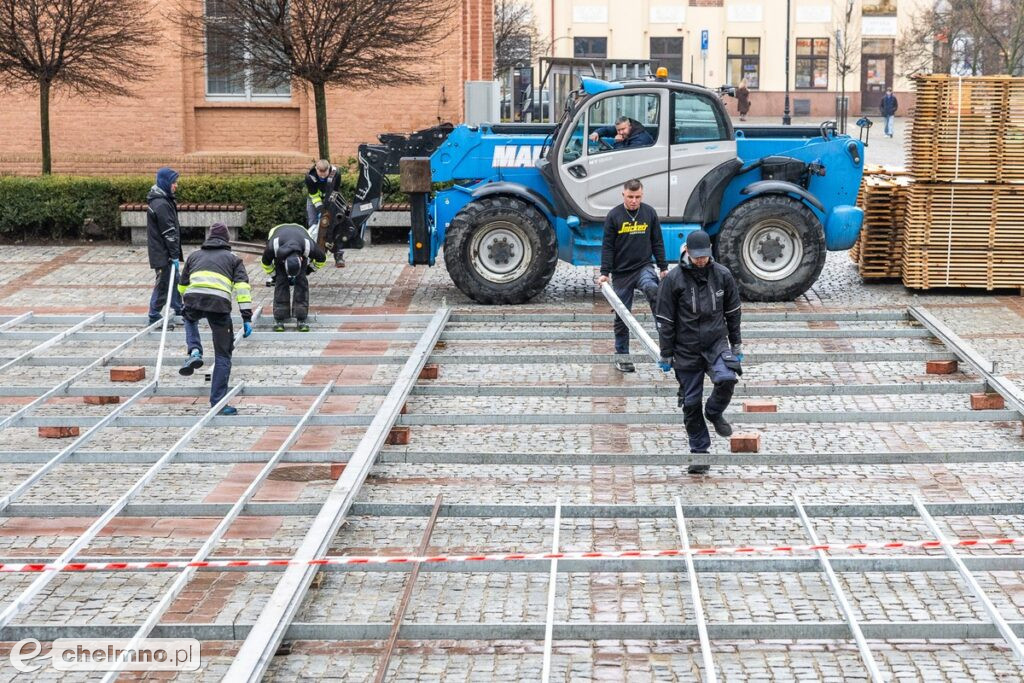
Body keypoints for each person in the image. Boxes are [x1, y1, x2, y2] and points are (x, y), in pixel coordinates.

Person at [656, 230, 742, 475]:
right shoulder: (673, 280)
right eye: (696, 257)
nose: (701, 260)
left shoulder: (722, 275)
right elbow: (665, 320)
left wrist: (736, 345)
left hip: (716, 342)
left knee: (727, 379)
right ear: (687, 253)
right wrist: (666, 353)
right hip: (686, 347)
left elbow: (733, 312)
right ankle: (700, 452)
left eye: (704, 256)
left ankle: (714, 411)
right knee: (691, 404)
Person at [177, 223, 253, 416]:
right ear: (227, 240)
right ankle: (218, 403)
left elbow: (182, 287)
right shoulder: (234, 259)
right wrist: (246, 318)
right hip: (219, 306)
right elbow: (243, 289)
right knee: (223, 356)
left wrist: (187, 303)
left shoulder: (194, 255)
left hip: (194, 299)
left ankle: (194, 350)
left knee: (189, 318)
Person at [597, 179, 668, 373]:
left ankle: (667, 346)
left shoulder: (649, 213)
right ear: (623, 195)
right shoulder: (614, 216)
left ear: (642, 196)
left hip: (643, 267)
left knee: (653, 290)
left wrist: (663, 267)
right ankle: (622, 356)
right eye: (630, 197)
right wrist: (605, 273)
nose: (634, 201)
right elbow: (608, 247)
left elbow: (657, 241)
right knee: (622, 314)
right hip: (621, 273)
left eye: (637, 197)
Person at [261, 223, 327, 332]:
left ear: (301, 260)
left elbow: (322, 259)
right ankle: (280, 317)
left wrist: (309, 270)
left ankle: (301, 317)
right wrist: (275, 275)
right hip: (279, 235)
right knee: (281, 282)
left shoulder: (308, 246)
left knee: (301, 281)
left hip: (300, 237)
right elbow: (265, 263)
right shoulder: (273, 247)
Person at [146, 166, 183, 324]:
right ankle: (154, 313)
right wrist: (174, 255)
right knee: (164, 282)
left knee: (175, 280)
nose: (176, 186)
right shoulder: (161, 204)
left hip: (163, 252)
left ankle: (179, 308)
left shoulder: (163, 200)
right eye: (173, 182)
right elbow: (169, 232)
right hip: (162, 253)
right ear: (165, 183)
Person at [304, 159, 345, 267]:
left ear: (329, 169)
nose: (322, 176)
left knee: (336, 226)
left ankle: (338, 255)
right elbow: (313, 195)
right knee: (313, 224)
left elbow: (335, 192)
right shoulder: (310, 177)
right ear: (316, 169)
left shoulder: (336, 173)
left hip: (332, 197)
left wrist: (329, 208)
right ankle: (312, 254)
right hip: (314, 200)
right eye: (320, 173)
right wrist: (321, 209)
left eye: (324, 174)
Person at [588, 116, 655, 149]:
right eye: (618, 130)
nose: (620, 132)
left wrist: (618, 142)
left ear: (630, 126)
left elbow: (624, 159)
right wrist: (596, 133)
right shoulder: (623, 130)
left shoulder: (641, 139)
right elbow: (607, 130)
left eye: (623, 129)